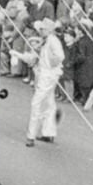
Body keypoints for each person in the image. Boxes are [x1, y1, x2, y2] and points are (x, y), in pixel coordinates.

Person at [25, 19, 65, 147]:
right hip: (47, 74)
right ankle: (49, 132)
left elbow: (60, 56)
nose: (40, 31)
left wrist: (51, 66)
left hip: (48, 75)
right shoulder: (47, 40)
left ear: (48, 30)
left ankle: (30, 136)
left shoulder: (52, 41)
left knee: (36, 103)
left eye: (42, 29)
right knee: (49, 104)